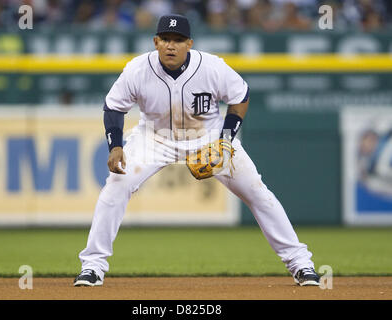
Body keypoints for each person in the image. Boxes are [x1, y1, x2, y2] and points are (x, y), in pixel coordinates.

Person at [74, 14, 320, 287]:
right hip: (154, 138)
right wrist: (116, 146)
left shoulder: (212, 67)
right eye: (166, 39)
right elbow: (114, 107)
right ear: (156, 42)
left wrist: (226, 140)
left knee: (257, 192)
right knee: (116, 186)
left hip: (208, 137)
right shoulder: (137, 69)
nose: (171, 45)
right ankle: (93, 266)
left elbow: (240, 97)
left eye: (178, 40)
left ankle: (301, 263)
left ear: (189, 43)